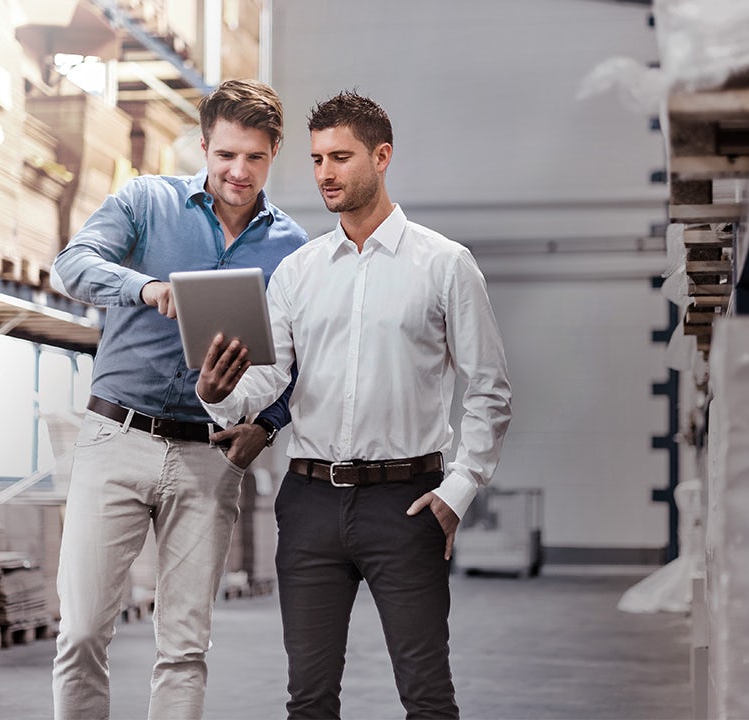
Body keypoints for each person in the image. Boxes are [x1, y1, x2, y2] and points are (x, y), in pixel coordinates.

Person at [197, 90, 513, 719]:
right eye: (317, 160)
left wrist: (459, 491)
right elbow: (270, 379)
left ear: (382, 156)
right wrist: (219, 393)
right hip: (310, 503)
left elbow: (489, 389)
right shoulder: (298, 272)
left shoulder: (445, 265)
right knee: (308, 701)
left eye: (340, 158)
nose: (325, 174)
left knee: (427, 698)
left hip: (407, 502)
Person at [48, 78, 308, 720]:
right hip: (116, 438)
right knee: (81, 631)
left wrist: (269, 424)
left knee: (185, 648)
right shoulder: (147, 201)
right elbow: (72, 264)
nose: (238, 171)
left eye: (254, 157)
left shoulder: (294, 250)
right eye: (226, 155)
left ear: (274, 152)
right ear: (204, 145)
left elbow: (303, 359)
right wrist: (145, 288)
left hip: (208, 455)